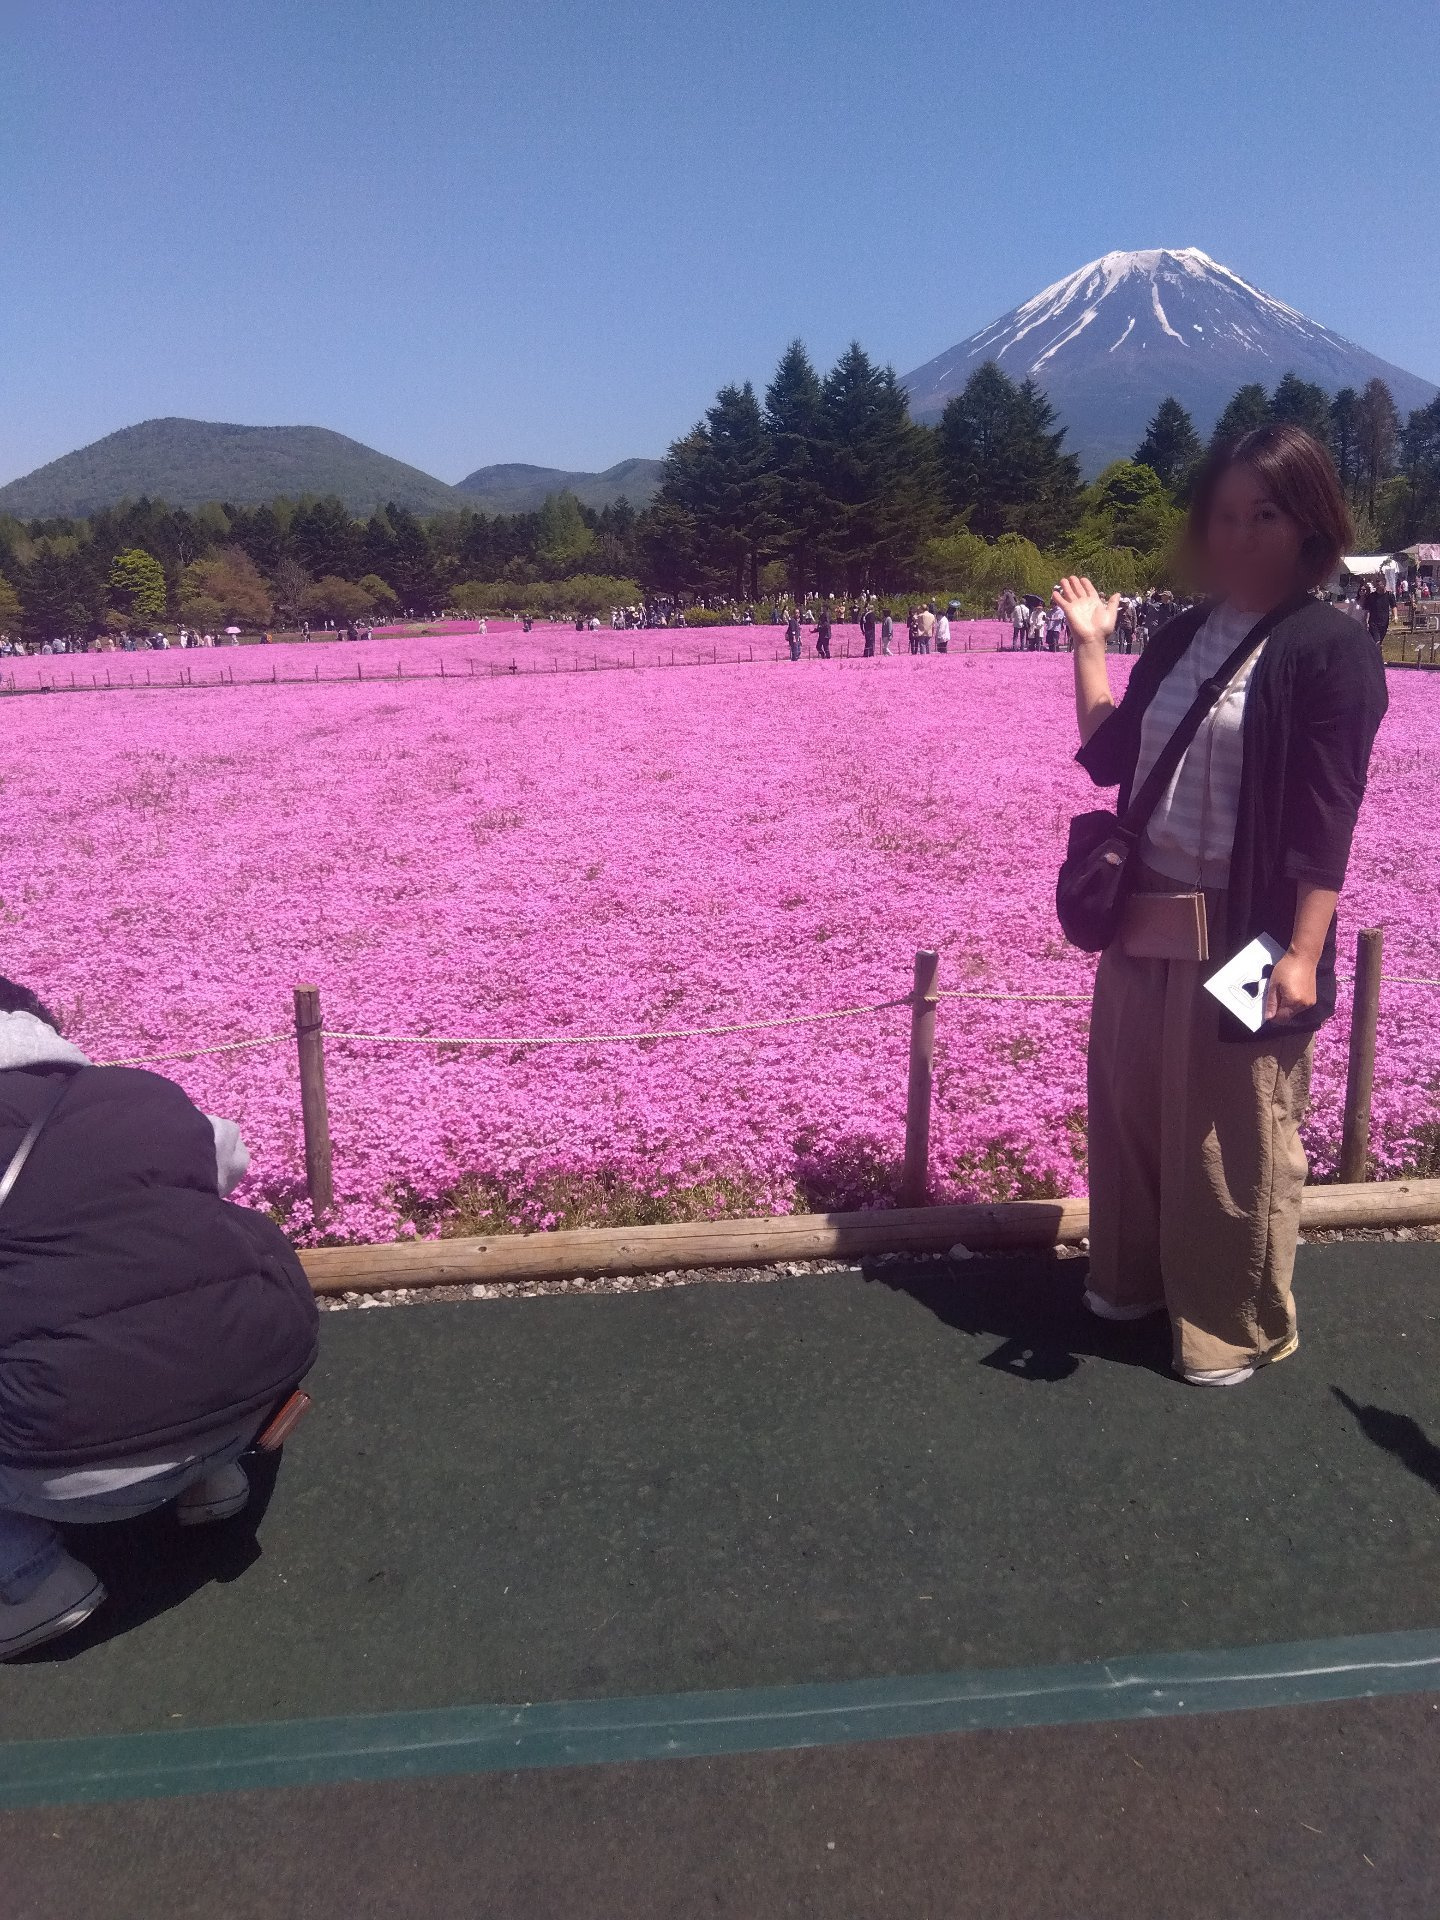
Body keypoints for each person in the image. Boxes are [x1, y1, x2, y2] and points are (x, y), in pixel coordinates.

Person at [1055, 422, 1387, 1387]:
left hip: (1248, 937)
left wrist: (1302, 954)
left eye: (1266, 515)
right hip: (1143, 921)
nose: (1240, 537)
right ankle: (1130, 1279)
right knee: (1129, 1110)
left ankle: (1225, 1323)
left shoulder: (1330, 649)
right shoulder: (1184, 635)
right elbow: (1114, 756)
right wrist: (1091, 649)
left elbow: (1328, 819)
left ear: (1311, 526)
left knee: (1233, 1131)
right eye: (1226, 516)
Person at [0, 978, 319, 1657]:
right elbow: (228, 1161)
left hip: (70, 1474)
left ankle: (32, 1580)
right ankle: (210, 1475)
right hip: (250, 1408)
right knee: (186, 1262)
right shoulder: (144, 1094)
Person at [1365, 576, 1395, 649]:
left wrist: (1395, 616)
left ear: (1384, 584)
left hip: (1384, 622)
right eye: (1377, 585)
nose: (1378, 587)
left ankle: (1376, 657)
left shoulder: (1389, 595)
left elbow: (1393, 606)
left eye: (1380, 585)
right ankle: (1377, 659)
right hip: (1373, 623)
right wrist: (1366, 621)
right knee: (1377, 641)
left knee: (1379, 642)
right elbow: (1368, 610)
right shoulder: (1372, 596)